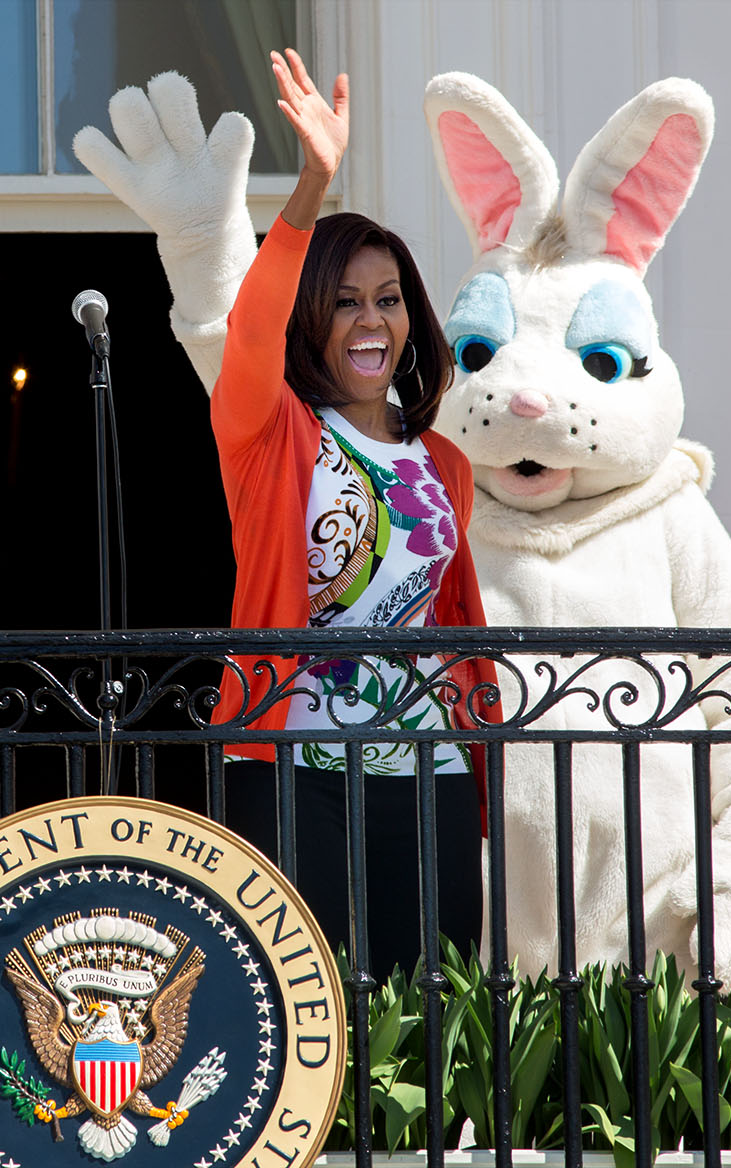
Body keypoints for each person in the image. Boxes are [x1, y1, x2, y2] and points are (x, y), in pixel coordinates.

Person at [211, 50, 499, 982]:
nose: (369, 321)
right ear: (311, 320)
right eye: (343, 303)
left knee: (431, 1009)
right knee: (306, 1010)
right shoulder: (273, 432)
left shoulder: (444, 462)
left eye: (387, 301)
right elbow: (249, 331)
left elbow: (449, 620)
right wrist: (311, 189)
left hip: (432, 769)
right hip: (294, 758)